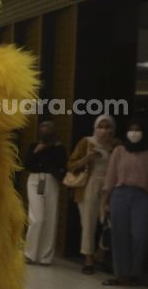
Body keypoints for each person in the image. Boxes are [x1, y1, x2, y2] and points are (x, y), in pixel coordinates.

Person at [67, 115, 120, 274]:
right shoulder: (87, 142)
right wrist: (88, 157)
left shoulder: (117, 146)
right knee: (88, 224)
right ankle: (88, 260)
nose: (104, 130)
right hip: (89, 185)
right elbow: (71, 164)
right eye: (100, 126)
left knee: (109, 223)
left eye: (107, 127)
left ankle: (101, 253)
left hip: (110, 186)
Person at [100, 118, 148, 286]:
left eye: (138, 130)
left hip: (142, 196)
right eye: (131, 129)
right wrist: (106, 201)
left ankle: (135, 272)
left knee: (140, 236)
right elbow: (111, 176)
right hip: (119, 195)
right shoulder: (119, 151)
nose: (134, 133)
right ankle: (121, 275)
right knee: (119, 235)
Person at [23, 120, 67, 266]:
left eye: (48, 127)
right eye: (42, 127)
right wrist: (36, 151)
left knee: (50, 217)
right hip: (35, 180)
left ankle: (45, 256)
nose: (45, 130)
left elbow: (62, 166)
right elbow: (26, 164)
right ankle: (30, 253)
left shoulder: (59, 148)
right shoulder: (33, 146)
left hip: (51, 181)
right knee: (37, 218)